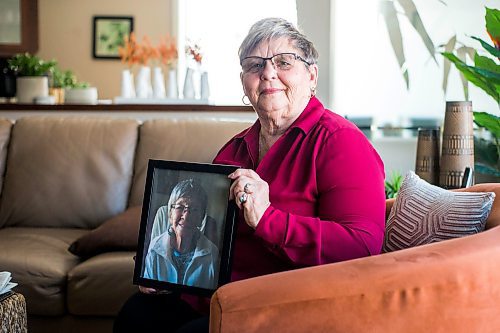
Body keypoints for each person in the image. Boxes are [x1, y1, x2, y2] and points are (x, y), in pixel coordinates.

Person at [114, 17, 385, 333]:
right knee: (135, 315)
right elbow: (212, 241)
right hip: (221, 298)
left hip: (287, 304)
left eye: (284, 62)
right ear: (245, 82)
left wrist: (268, 219)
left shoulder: (340, 142)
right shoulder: (234, 150)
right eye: (255, 65)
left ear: (311, 76)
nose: (268, 73)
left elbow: (362, 247)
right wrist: (170, 274)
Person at [143, 179, 219, 290]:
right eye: (180, 207)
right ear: (170, 214)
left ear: (201, 218)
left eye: (194, 209)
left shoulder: (212, 254)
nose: (186, 216)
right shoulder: (154, 249)